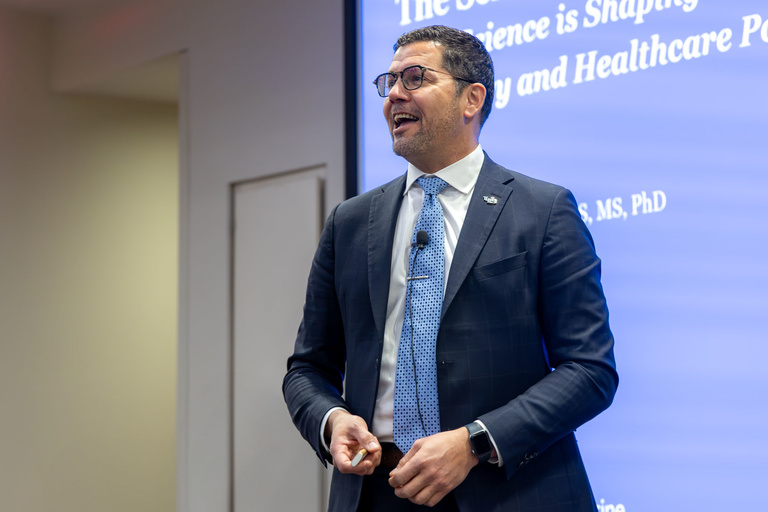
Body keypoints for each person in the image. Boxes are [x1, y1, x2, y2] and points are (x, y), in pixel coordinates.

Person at [283, 25, 618, 512]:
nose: (394, 94)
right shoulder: (351, 222)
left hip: (509, 489)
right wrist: (333, 419)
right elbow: (308, 368)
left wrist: (475, 442)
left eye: (415, 77)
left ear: (472, 99)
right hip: (377, 492)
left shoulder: (542, 211)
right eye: (388, 81)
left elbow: (590, 370)